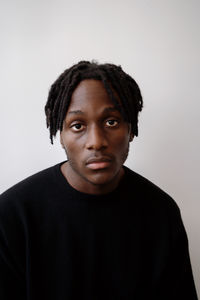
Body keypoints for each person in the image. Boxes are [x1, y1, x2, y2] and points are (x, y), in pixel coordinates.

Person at [0, 61, 198, 300]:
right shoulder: (12, 214)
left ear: (131, 129)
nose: (96, 141)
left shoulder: (161, 212)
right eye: (77, 125)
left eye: (111, 121)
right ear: (60, 135)